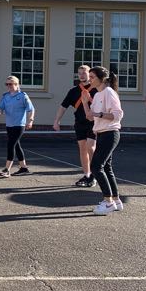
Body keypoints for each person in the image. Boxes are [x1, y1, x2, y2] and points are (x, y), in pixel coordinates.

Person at [81, 66, 125, 215]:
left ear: (102, 78)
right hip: (101, 133)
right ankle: (116, 200)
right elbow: (90, 116)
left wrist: (98, 113)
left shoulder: (109, 92)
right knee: (106, 167)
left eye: (92, 77)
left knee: (96, 166)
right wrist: (85, 102)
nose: (89, 79)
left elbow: (117, 115)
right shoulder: (98, 94)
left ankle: (108, 202)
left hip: (111, 133)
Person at [52, 65, 98, 187]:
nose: (82, 75)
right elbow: (63, 106)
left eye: (84, 73)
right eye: (79, 73)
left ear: (89, 74)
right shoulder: (73, 91)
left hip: (94, 123)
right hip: (80, 123)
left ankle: (95, 174)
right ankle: (87, 174)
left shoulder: (96, 89)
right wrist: (57, 121)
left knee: (91, 148)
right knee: (83, 149)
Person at [0, 76, 35, 177]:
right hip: (9, 125)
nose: (8, 86)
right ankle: (23, 168)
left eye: (11, 84)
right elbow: (0, 107)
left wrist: (30, 121)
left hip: (19, 125)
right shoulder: (5, 96)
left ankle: (7, 169)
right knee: (17, 146)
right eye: (7, 84)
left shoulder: (23, 96)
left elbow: (31, 109)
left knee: (11, 145)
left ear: (17, 85)